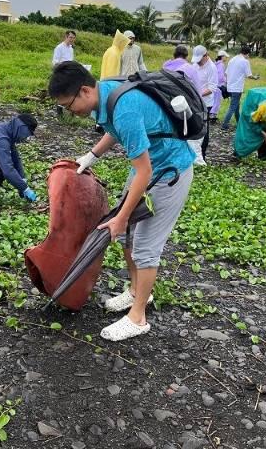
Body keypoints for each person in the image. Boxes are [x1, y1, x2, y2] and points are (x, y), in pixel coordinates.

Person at [49, 62, 194, 342]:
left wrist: (121, 216)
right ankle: (136, 291)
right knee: (127, 236)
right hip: (150, 167)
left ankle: (138, 317)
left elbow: (145, 171)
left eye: (69, 106)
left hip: (169, 173)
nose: (71, 112)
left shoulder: (125, 108)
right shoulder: (107, 94)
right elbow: (114, 131)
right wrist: (91, 156)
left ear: (85, 91)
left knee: (145, 247)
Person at [233, 87, 266, 160]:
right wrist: (265, 134)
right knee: (247, 131)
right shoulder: (262, 110)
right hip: (252, 103)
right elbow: (252, 123)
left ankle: (264, 155)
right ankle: (239, 152)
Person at [192, 45, 218, 164]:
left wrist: (199, 94)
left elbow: (212, 87)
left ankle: (202, 154)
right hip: (194, 100)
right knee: (194, 125)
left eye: (200, 59)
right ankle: (193, 154)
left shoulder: (212, 68)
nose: (198, 62)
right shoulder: (195, 65)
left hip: (205, 103)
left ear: (206, 56)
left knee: (204, 128)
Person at [221, 46, 258, 131]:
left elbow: (226, 73)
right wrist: (255, 77)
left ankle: (239, 123)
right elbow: (249, 75)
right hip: (237, 88)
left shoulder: (232, 59)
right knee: (233, 107)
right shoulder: (245, 61)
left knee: (236, 106)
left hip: (230, 87)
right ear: (247, 53)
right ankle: (224, 125)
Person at [210, 50, 229, 122]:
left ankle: (210, 114)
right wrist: (226, 80)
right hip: (218, 86)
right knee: (217, 101)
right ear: (222, 57)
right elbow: (221, 77)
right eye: (225, 57)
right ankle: (213, 115)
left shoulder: (215, 64)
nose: (226, 58)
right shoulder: (221, 64)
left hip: (213, 85)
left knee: (212, 101)